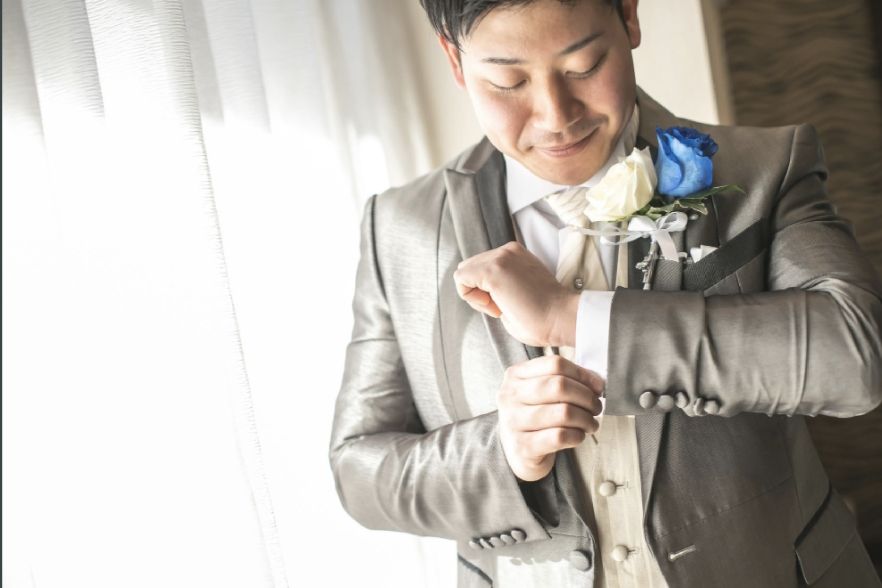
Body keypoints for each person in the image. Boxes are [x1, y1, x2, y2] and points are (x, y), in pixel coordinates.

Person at [329, 0, 882, 586]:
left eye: (584, 66)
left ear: (629, 17)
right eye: (508, 82)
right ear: (455, 61)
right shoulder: (399, 228)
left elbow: (857, 359)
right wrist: (503, 450)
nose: (555, 117)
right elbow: (358, 472)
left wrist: (572, 318)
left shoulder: (764, 168)